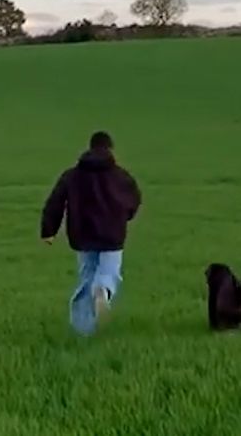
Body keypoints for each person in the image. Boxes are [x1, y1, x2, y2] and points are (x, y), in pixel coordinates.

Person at [41, 131, 142, 335]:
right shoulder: (120, 176)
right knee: (109, 272)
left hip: (82, 236)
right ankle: (103, 290)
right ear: (110, 149)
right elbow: (134, 200)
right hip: (112, 236)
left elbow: (55, 201)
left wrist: (48, 231)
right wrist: (124, 216)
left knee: (86, 277)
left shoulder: (72, 175)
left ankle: (82, 332)